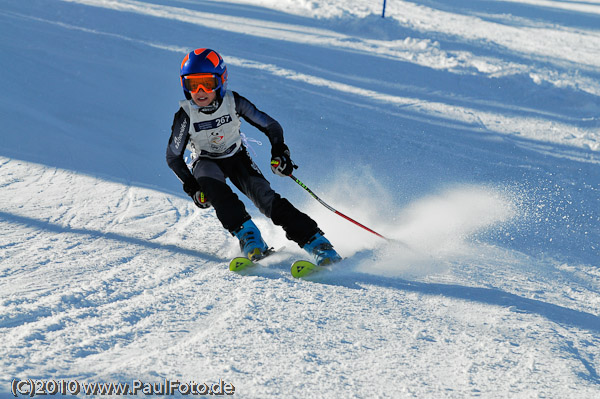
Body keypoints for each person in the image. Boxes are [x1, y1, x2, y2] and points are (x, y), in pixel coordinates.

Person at [166, 48, 342, 266]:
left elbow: (271, 125)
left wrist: (280, 151)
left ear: (221, 82)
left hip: (236, 157)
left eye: (207, 84)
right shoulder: (185, 115)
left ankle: (316, 242)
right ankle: (249, 237)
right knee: (218, 195)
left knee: (266, 198)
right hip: (206, 161)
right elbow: (173, 157)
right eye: (193, 85)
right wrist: (194, 189)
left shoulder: (233, 102)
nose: (201, 91)